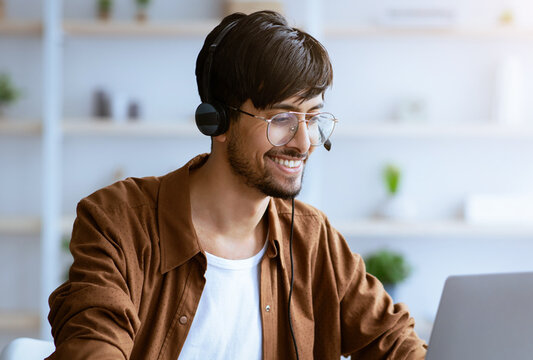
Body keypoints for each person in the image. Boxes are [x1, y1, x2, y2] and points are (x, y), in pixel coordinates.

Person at [47, 11, 427, 360]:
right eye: (281, 117)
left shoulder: (313, 239)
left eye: (312, 117)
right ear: (218, 122)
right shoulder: (119, 221)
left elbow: (395, 342)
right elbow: (92, 343)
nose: (304, 141)